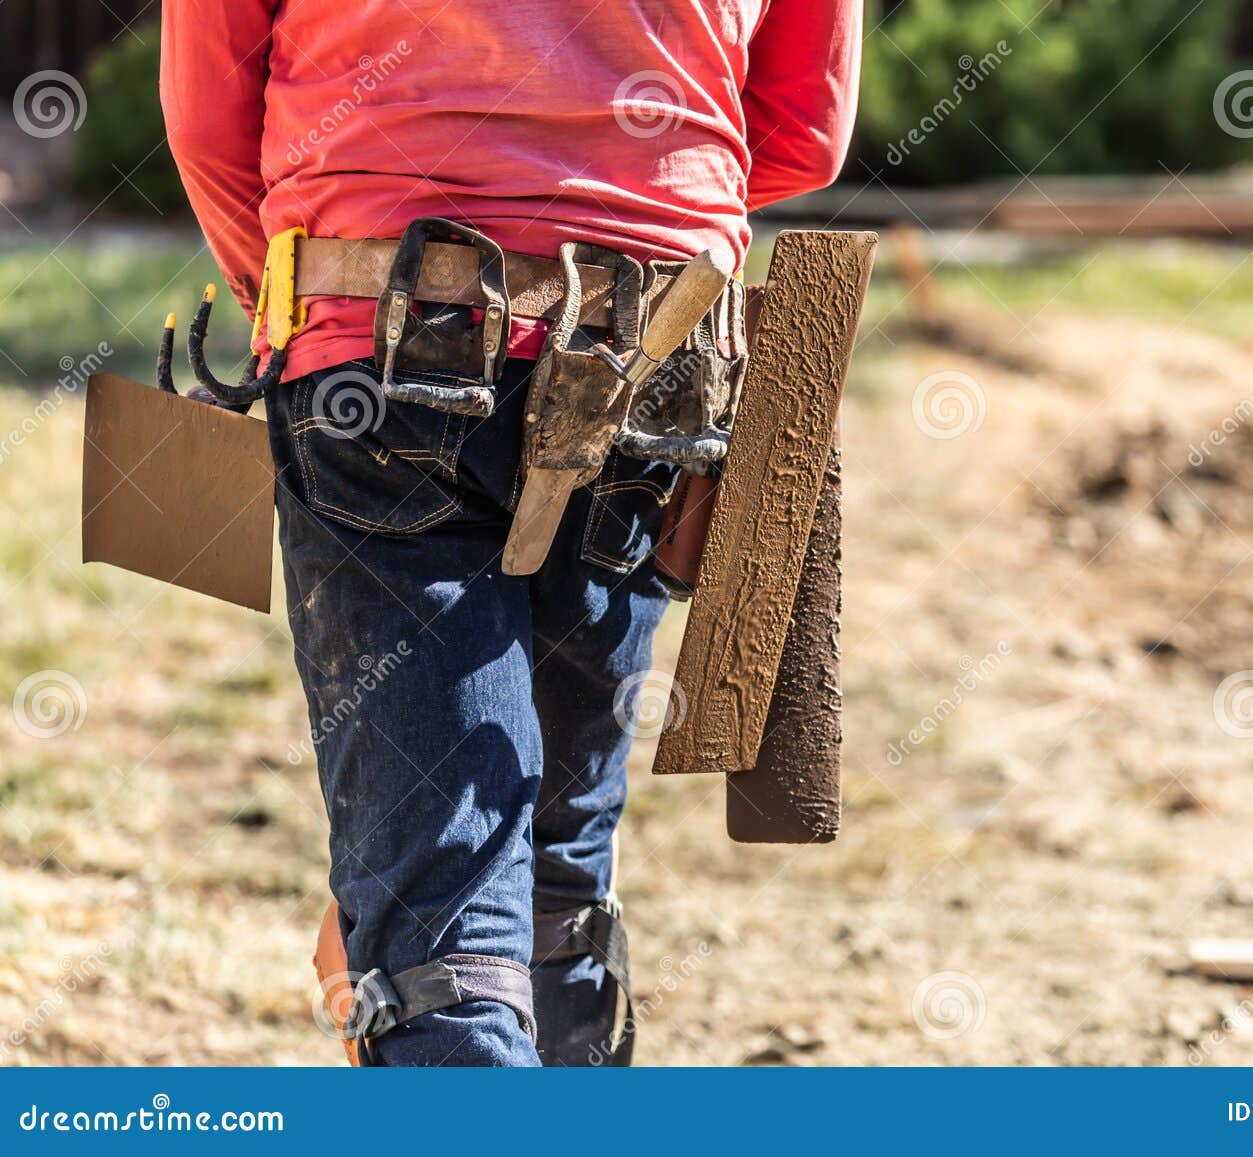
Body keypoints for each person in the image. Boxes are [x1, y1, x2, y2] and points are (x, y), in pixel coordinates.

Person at [160, 0, 861, 1067]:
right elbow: (801, 127)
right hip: (649, 353)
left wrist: (298, 305)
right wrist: (612, 198)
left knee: (437, 914)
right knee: (555, 878)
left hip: (379, 337)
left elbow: (211, 112)